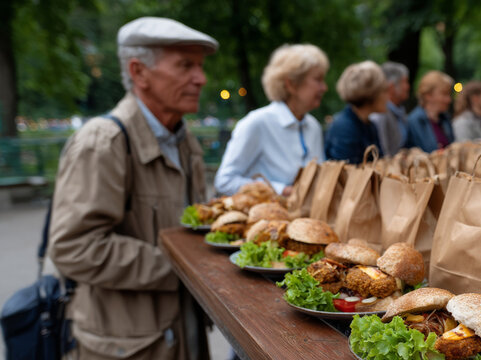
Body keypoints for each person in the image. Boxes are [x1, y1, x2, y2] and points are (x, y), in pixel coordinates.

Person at [48, 17, 217, 359]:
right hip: (128, 346)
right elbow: (73, 247)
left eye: (199, 66)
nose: (201, 78)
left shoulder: (185, 141)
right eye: (185, 65)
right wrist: (185, 268)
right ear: (139, 72)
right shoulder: (103, 142)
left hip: (181, 334)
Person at [215, 44, 328, 196]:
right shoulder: (257, 123)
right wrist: (282, 190)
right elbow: (224, 181)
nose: (324, 87)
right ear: (292, 84)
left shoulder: (313, 126)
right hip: (267, 218)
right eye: (318, 80)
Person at [325, 61, 388, 163]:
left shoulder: (369, 125)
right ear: (372, 93)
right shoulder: (344, 128)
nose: (387, 98)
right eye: (384, 91)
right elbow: (348, 174)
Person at [405, 70, 455, 152]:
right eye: (444, 94)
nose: (449, 100)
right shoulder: (414, 122)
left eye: (449, 94)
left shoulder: (445, 119)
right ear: (428, 95)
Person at [369, 62, 410, 156]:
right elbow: (383, 153)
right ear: (391, 87)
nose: (408, 86)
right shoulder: (381, 114)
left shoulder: (399, 112)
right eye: (405, 82)